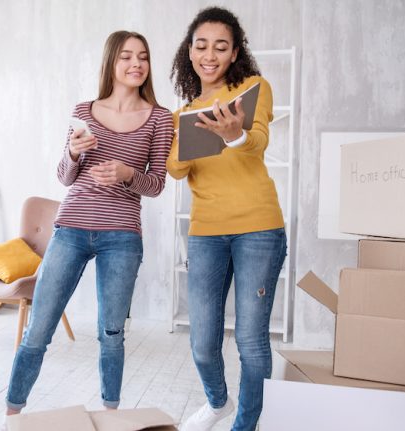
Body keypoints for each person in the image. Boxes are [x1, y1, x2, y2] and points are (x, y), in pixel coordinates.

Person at [5, 30, 173, 416]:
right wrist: (73, 152)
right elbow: (64, 177)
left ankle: (110, 416)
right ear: (111, 63)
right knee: (39, 327)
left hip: (122, 236)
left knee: (111, 334)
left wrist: (129, 173)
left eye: (143, 57)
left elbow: (157, 184)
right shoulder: (83, 111)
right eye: (127, 56)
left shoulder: (160, 119)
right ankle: (11, 415)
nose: (136, 64)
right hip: (71, 229)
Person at [167, 7, 287, 431]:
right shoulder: (186, 110)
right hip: (205, 234)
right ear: (190, 52)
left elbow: (256, 143)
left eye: (221, 46)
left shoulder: (254, 88)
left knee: (252, 342)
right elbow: (175, 171)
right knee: (202, 343)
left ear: (235, 53)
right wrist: (191, 137)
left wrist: (233, 134)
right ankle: (218, 402)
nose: (210, 54)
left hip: (259, 229)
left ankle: (246, 425)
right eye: (201, 45)